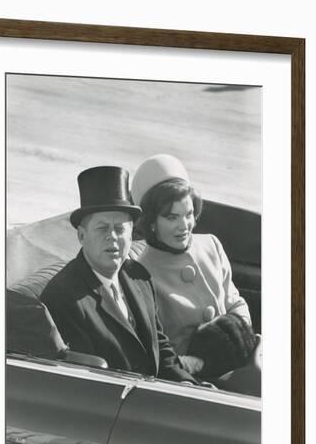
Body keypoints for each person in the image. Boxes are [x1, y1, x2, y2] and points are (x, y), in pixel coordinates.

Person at [41, 165, 201, 384]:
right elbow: (84, 386)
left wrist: (189, 386)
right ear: (81, 235)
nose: (113, 237)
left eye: (120, 229)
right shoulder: (63, 297)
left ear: (131, 233)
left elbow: (163, 353)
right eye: (102, 228)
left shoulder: (139, 277)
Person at [131, 154, 261, 393]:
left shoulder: (211, 244)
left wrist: (239, 335)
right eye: (172, 217)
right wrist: (197, 363)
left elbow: (236, 302)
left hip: (242, 358)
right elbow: (158, 351)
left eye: (189, 214)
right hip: (197, 383)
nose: (184, 225)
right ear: (150, 221)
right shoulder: (140, 274)